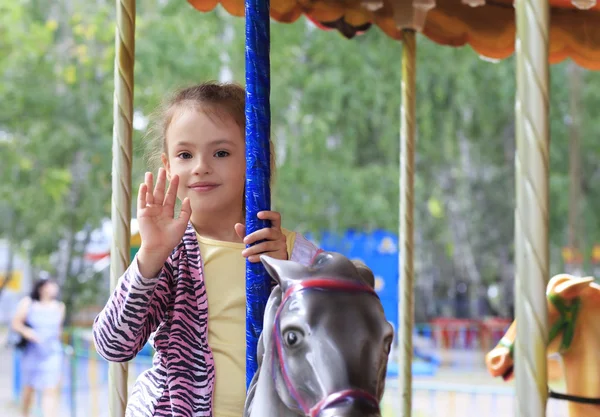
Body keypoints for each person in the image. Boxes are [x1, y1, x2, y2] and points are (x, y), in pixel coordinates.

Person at [92, 82, 321, 417]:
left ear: (256, 159)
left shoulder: (289, 250)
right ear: (167, 166)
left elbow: (334, 333)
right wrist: (150, 257)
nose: (201, 166)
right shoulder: (171, 252)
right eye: (185, 155)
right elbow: (114, 343)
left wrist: (291, 278)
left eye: (221, 153)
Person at [11, 276, 65, 417]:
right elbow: (16, 323)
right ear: (42, 288)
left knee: (50, 390)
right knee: (29, 389)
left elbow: (58, 332)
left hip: (52, 353)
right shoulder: (28, 303)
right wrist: (29, 333)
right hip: (32, 353)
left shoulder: (59, 306)